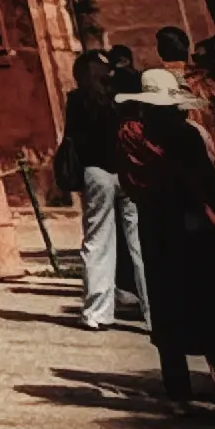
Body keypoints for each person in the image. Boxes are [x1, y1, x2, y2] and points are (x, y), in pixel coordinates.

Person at [116, 94, 215, 421]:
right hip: (200, 230)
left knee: (170, 313)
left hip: (162, 235)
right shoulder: (188, 135)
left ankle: (180, 396)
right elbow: (209, 184)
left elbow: (133, 186)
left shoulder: (134, 139)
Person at [54, 48, 148, 333]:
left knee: (97, 242)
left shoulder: (79, 99)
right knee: (139, 242)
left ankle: (97, 312)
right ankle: (155, 311)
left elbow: (72, 139)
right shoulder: (122, 95)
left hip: (96, 172)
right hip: (127, 170)